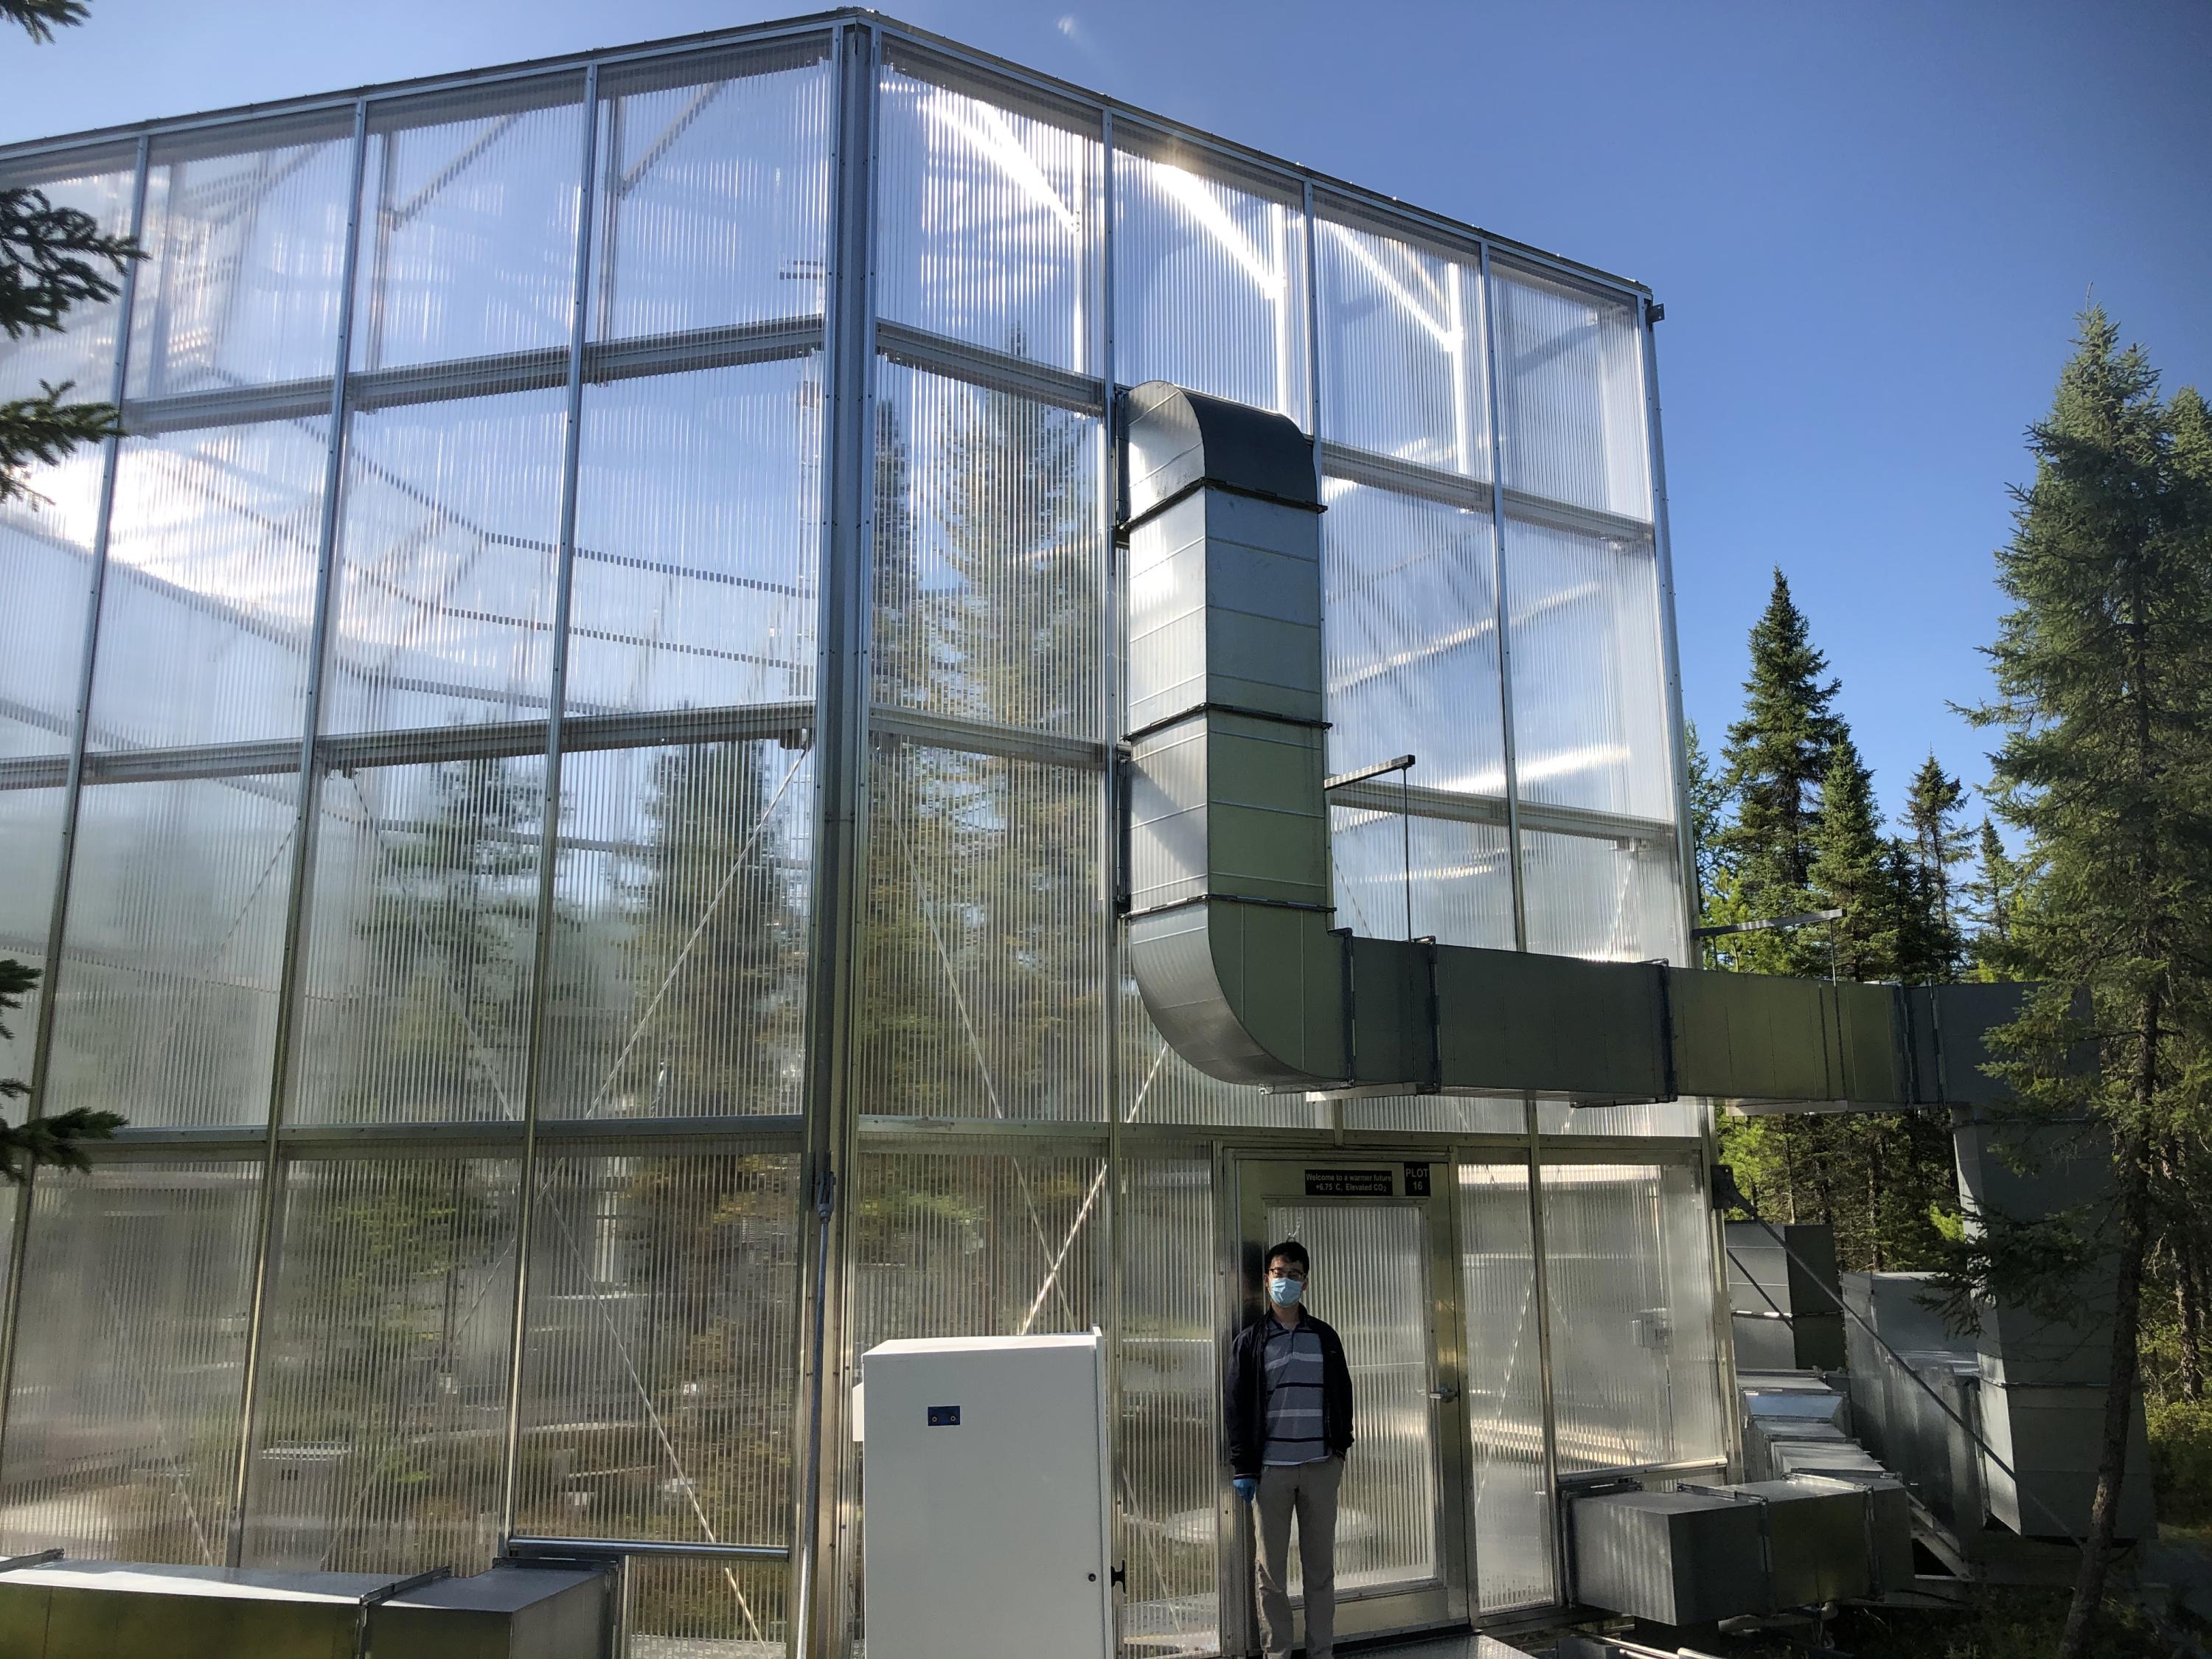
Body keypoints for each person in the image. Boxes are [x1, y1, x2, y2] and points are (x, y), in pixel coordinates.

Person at [1223, 1238, 1354, 1659]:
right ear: (1267, 1280)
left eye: (1294, 1275)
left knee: (1320, 1571)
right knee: (1271, 1574)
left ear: (1305, 1283)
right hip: (1272, 1472)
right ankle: (1278, 1652)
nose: (1286, 1281)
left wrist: (1339, 1450)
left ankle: (1321, 1652)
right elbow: (1237, 1407)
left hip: (1320, 1467)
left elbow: (1342, 1393)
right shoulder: (1251, 1342)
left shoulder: (1325, 1337)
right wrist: (1244, 1467)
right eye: (1279, 1273)